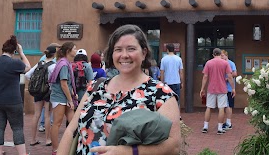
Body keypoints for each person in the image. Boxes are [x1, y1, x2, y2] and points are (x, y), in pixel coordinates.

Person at [57, 24, 180, 155]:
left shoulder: (161, 94)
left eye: (131, 49)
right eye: (118, 49)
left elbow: (173, 146)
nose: (124, 55)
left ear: (144, 53)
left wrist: (130, 151)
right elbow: (71, 131)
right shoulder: (96, 87)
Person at [0, 35, 31, 155]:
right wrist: (22, 53)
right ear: (14, 51)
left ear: (2, 49)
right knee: (17, 128)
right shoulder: (15, 63)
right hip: (12, 101)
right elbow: (28, 67)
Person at [25, 45, 57, 147]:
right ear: (54, 54)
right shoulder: (54, 65)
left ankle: (33, 139)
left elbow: (27, 75)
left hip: (37, 92)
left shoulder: (39, 64)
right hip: (48, 92)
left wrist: (37, 84)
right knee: (47, 115)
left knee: (36, 115)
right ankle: (47, 140)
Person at [49, 42, 77, 155]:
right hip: (59, 97)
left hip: (65, 96)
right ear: (68, 51)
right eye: (74, 48)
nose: (76, 50)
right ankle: (55, 149)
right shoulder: (64, 64)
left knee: (73, 122)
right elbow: (63, 84)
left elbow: (68, 84)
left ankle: (72, 145)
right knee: (57, 123)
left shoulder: (65, 63)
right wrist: (70, 100)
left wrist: (73, 94)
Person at [200, 48, 235, 135]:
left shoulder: (209, 63)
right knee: (221, 108)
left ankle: (205, 126)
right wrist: (233, 88)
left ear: (213, 54)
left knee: (209, 107)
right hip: (222, 89)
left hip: (211, 88)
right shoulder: (225, 63)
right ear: (220, 54)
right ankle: (219, 128)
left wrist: (202, 88)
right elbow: (230, 76)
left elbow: (205, 76)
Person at [38, 43, 60, 133]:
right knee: (48, 110)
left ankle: (42, 125)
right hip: (49, 87)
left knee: (40, 110)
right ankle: (46, 128)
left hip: (39, 87)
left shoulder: (42, 59)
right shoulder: (53, 61)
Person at [220, 49, 237, 130]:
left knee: (229, 106)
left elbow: (235, 73)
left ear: (226, 55)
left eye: (222, 55)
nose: (221, 57)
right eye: (220, 55)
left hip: (229, 88)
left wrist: (227, 78)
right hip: (222, 88)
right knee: (224, 106)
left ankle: (229, 123)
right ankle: (225, 122)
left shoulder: (230, 63)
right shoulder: (221, 63)